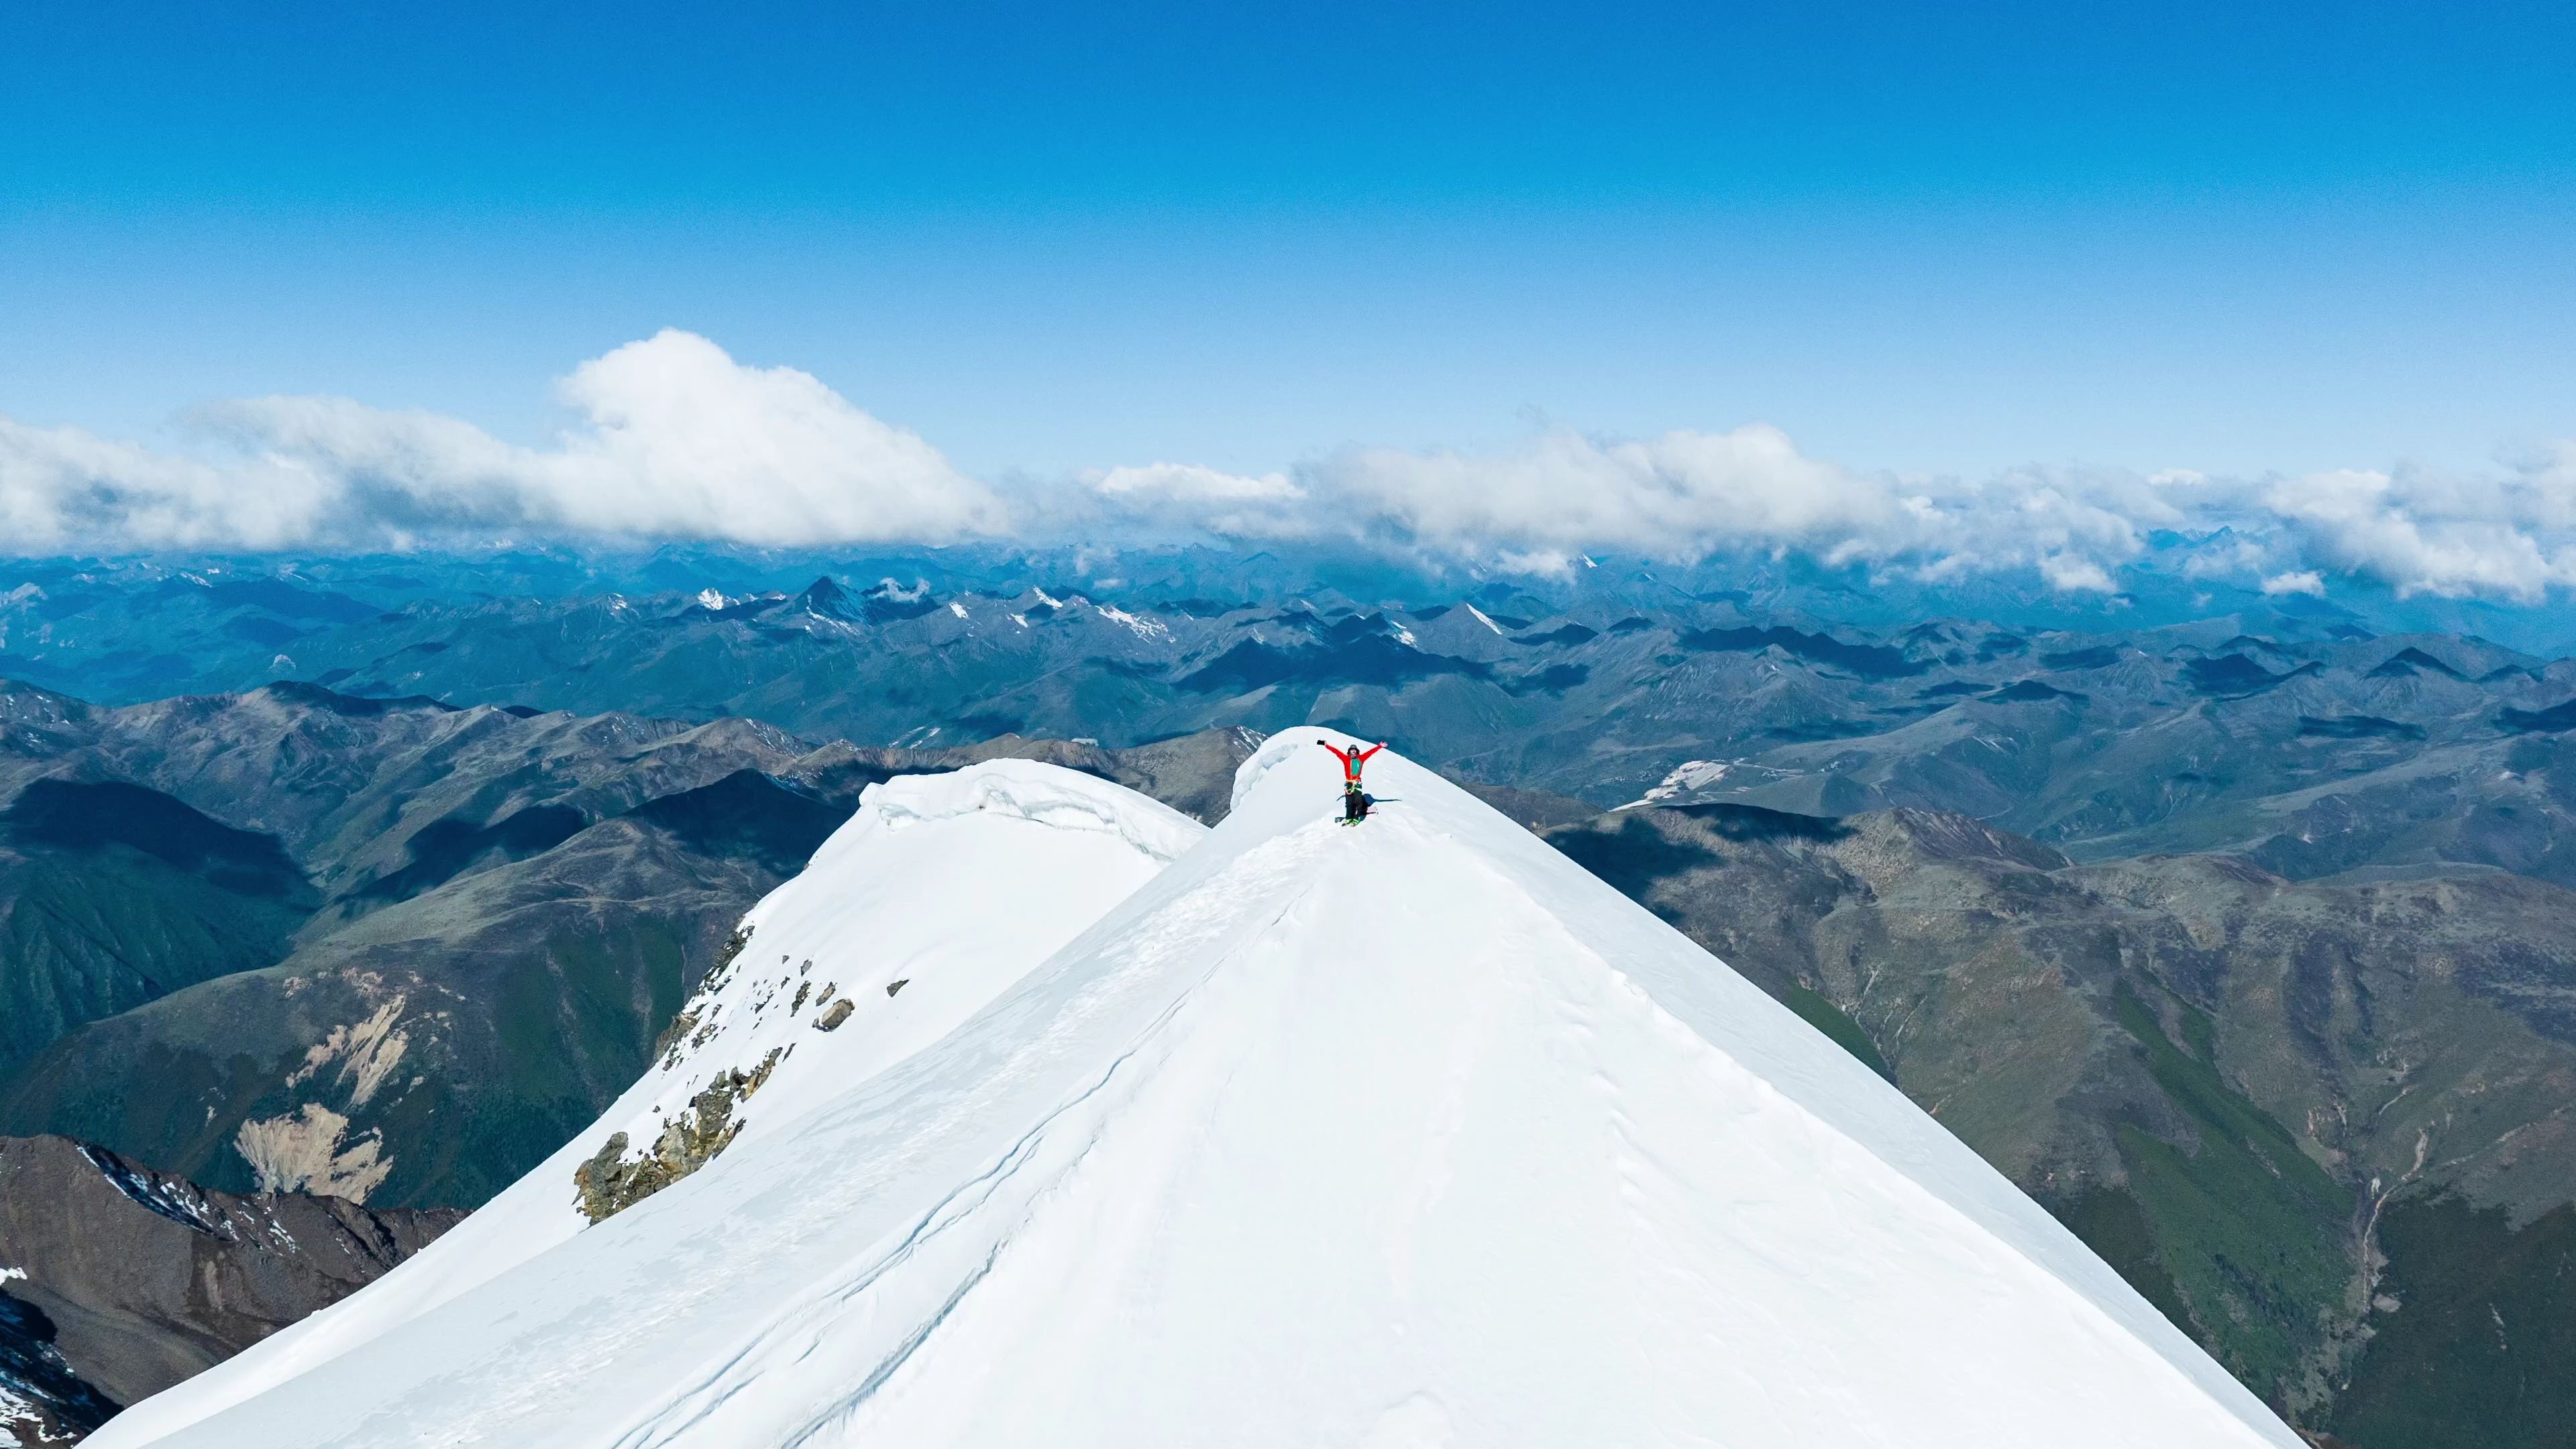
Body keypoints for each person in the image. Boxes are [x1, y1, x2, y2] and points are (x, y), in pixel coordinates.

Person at [1317, 739, 1385, 822]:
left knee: (1358, 801)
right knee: (1349, 803)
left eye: (1355, 750)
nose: (1353, 751)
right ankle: (1349, 818)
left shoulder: (1361, 758)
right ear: (1350, 751)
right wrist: (1326, 745)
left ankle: (1357, 817)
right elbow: (1336, 752)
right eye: (1352, 750)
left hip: (1357, 783)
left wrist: (1379, 746)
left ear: (1357, 752)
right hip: (1349, 783)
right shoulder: (1345, 759)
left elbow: (1370, 753)